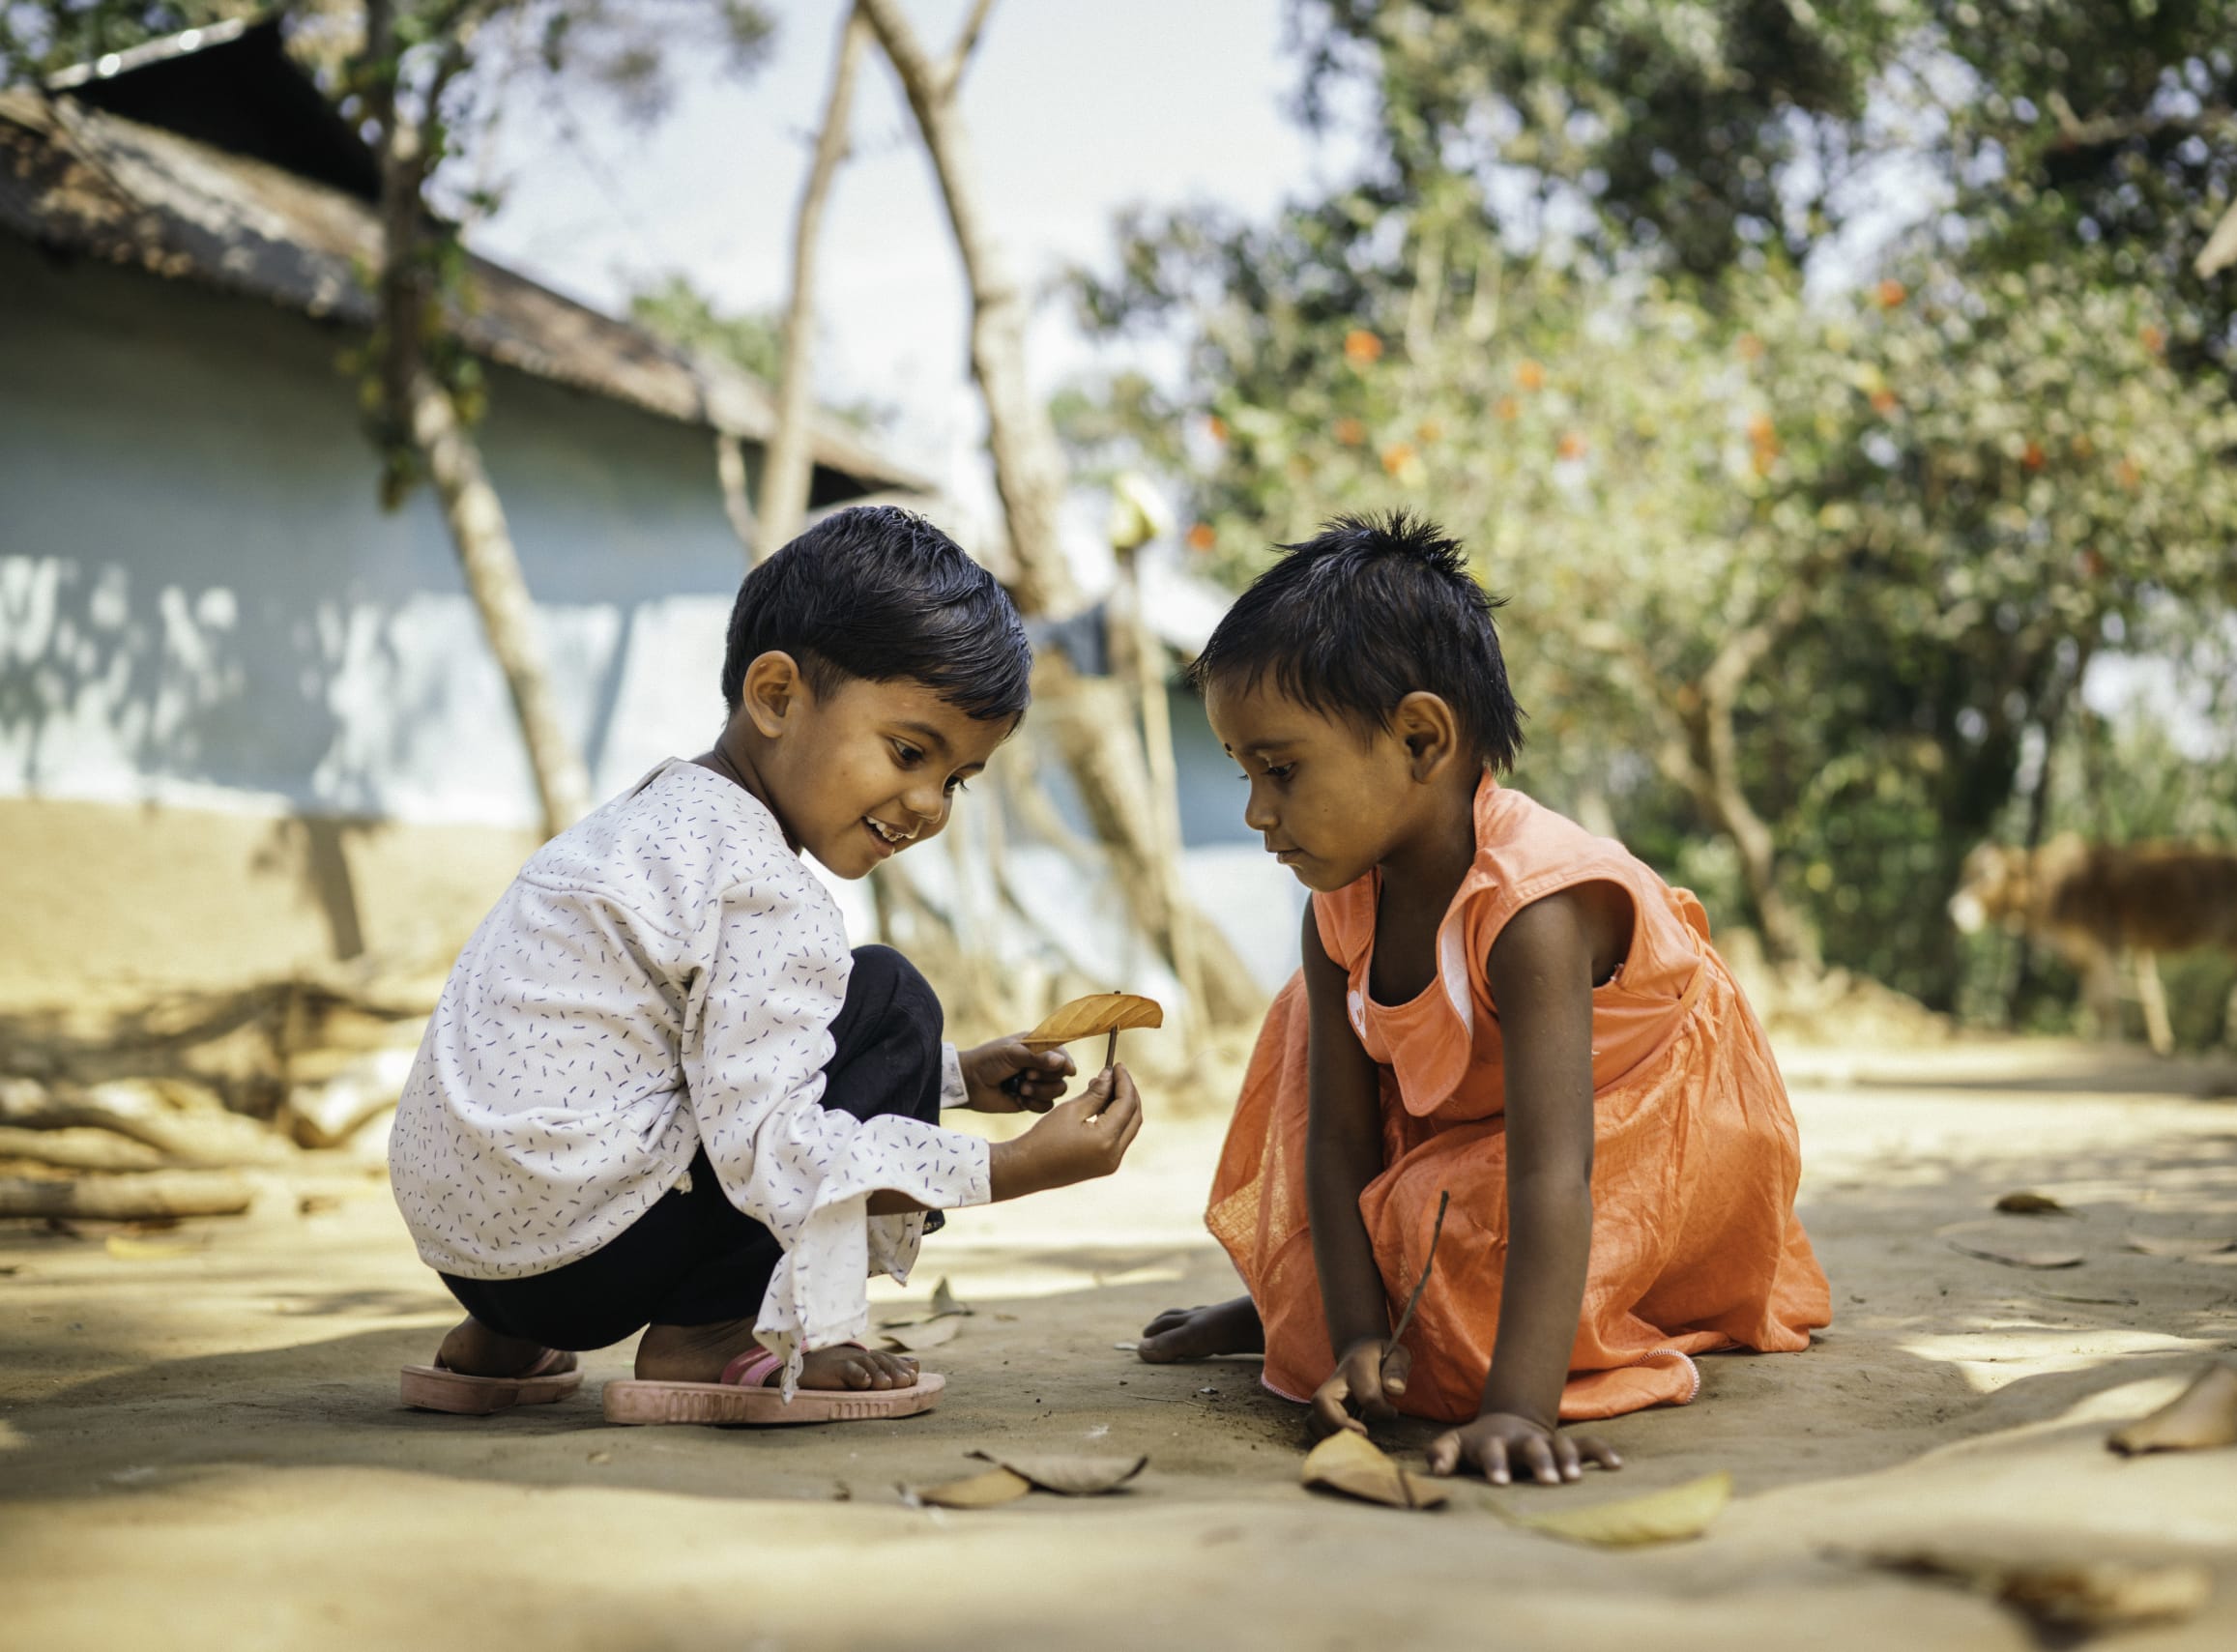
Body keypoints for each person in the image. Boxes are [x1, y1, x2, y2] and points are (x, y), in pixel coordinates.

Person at [391, 507, 1143, 1426]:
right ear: (778, 695)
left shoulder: (648, 820)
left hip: (473, 1250)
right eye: (909, 752)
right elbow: (774, 1147)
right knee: (892, 995)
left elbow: (684, 1041)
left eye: (955, 778)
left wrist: (950, 1077)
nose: (927, 805)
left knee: (865, 1004)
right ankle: (708, 1334)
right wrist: (1014, 1165)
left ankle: (498, 1345)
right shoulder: (765, 890)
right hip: (592, 1259)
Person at [1139, 513, 1829, 1485]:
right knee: (1304, 1018)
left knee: (1452, 1260)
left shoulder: (1530, 915)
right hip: (1472, 1123)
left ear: (1421, 737)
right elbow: (1332, 1141)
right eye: (1245, 772)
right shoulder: (1337, 905)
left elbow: (1555, 1172)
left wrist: (1516, 1407)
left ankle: (1365, 1302)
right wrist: (1352, 1342)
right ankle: (1305, 1299)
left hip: (1650, 1131)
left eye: (1281, 769)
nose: (1257, 811)